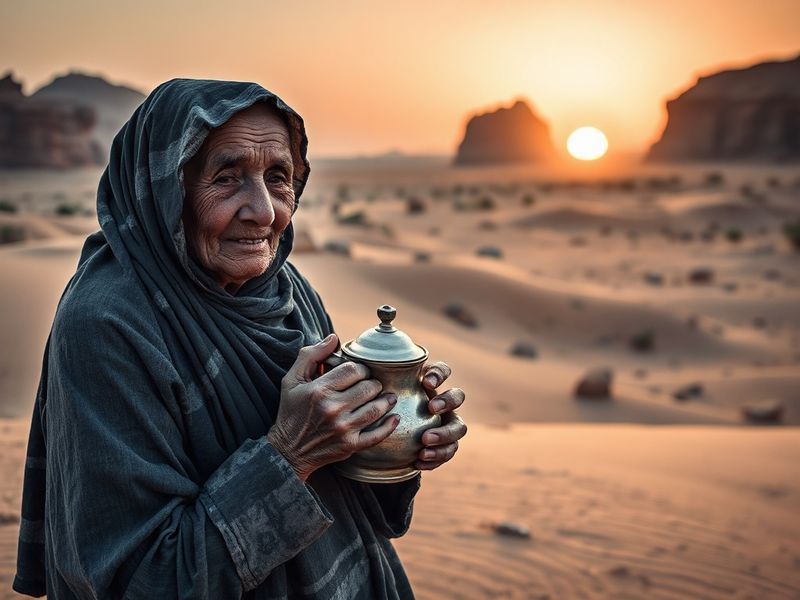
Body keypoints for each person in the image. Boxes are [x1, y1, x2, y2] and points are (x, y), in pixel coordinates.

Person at [13, 79, 466, 599]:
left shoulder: (285, 287)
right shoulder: (107, 325)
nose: (265, 211)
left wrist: (400, 438)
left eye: (279, 177)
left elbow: (353, 496)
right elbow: (141, 581)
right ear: (165, 189)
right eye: (227, 178)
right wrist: (291, 454)